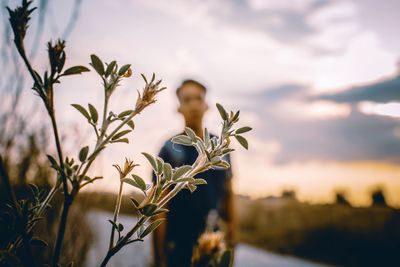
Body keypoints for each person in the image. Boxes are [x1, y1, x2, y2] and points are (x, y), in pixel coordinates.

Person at [152, 79, 235, 267]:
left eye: (198, 98)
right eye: (187, 99)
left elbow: (229, 195)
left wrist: (232, 244)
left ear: (206, 105)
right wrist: (158, 259)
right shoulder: (169, 149)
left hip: (212, 244)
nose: (194, 104)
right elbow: (157, 210)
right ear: (179, 107)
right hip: (177, 247)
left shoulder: (220, 147)